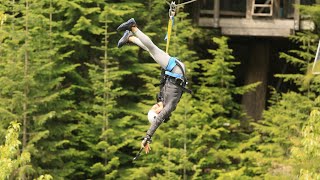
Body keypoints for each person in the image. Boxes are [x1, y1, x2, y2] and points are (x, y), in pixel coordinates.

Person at [116, 18, 190, 153]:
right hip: (176, 69)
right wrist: (147, 137)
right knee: (152, 49)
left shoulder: (162, 99)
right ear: (160, 113)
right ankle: (133, 28)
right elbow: (158, 122)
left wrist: (164, 69)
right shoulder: (169, 106)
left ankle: (130, 38)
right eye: (155, 109)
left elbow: (165, 82)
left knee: (152, 51)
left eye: (153, 107)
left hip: (172, 69)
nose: (155, 106)